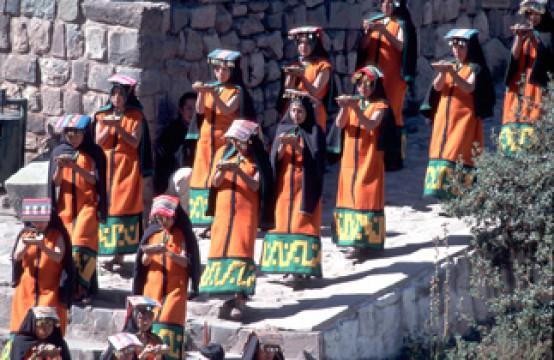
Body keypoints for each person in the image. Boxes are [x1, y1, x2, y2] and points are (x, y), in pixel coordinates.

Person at [199, 120, 273, 319]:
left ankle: (240, 298)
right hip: (224, 214)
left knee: (241, 251)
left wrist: (238, 171)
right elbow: (215, 182)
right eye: (234, 141)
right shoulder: (225, 155)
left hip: (244, 213)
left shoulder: (256, 160)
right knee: (222, 249)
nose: (236, 145)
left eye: (240, 141)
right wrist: (223, 170)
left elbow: (256, 185)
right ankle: (227, 296)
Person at [420, 29, 495, 199]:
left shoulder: (475, 68)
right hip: (444, 119)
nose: (457, 51)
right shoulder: (449, 64)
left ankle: (458, 196)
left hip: (464, 120)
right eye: (454, 47)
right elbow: (437, 87)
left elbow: (469, 87)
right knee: (442, 153)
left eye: (461, 47)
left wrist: (452, 73)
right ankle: (441, 194)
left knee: (457, 154)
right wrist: (442, 72)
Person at [260, 93, 326, 280]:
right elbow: (275, 160)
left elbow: (316, 163)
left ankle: (301, 269)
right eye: (294, 110)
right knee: (283, 224)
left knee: (300, 225)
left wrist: (297, 147)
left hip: (305, 188)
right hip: (284, 188)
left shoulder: (315, 132)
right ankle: (286, 266)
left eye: (300, 111)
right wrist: (280, 148)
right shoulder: (283, 129)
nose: (296, 115)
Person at [189, 49, 256, 229]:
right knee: (201, 177)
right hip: (206, 139)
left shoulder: (237, 91)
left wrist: (213, 94)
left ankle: (216, 218)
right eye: (217, 69)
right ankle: (203, 220)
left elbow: (227, 109)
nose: (220, 73)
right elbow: (200, 111)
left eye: (225, 70)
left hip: (224, 141)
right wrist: (202, 93)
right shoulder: (211, 87)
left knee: (216, 176)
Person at [333, 66, 394, 258]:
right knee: (349, 196)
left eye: (368, 84)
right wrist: (344, 109)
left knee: (362, 196)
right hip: (350, 159)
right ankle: (352, 241)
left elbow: (370, 124)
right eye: (360, 84)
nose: (363, 88)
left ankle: (364, 242)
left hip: (369, 158)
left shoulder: (381, 106)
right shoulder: (354, 103)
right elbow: (339, 125)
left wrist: (355, 109)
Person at [94, 74, 152, 269]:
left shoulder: (136, 116)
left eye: (121, 94)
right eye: (114, 94)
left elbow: (135, 142)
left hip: (126, 167)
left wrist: (119, 128)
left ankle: (119, 255)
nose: (117, 98)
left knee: (122, 207)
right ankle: (108, 252)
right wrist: (108, 128)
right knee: (107, 207)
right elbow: (98, 141)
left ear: (128, 96)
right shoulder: (102, 115)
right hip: (106, 167)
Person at [132, 195, 201, 360]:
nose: (162, 222)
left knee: (167, 325)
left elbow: (187, 262)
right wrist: (149, 254)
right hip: (152, 290)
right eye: (159, 218)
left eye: (166, 218)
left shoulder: (182, 236)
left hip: (175, 290)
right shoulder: (152, 234)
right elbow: (143, 263)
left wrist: (168, 253)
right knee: (151, 325)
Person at [49, 114, 107, 303]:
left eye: (76, 133)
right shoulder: (59, 151)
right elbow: (55, 182)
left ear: (85, 133)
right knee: (67, 245)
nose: (72, 137)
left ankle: (82, 288)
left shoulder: (94, 153)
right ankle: (69, 286)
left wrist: (75, 167)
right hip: (65, 207)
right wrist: (59, 168)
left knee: (82, 244)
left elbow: (95, 180)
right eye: (69, 133)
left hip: (88, 205)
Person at [356, 0, 418, 170]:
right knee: (372, 111)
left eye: (390, 3)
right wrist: (368, 33)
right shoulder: (375, 21)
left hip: (393, 78)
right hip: (372, 78)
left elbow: (401, 47)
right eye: (384, 3)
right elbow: (363, 47)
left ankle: (394, 158)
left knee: (393, 114)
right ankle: (371, 155)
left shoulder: (401, 24)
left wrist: (385, 32)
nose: (386, 6)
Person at [9, 198, 74, 335]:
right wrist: (26, 245)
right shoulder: (25, 234)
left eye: (41, 221)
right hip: (27, 289)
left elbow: (58, 256)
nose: (38, 224)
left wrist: (42, 246)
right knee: (22, 327)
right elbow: (16, 256)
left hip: (50, 290)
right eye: (34, 221)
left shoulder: (58, 235)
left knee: (47, 330)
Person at [500, 0, 553, 154]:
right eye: (529, 14)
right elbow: (514, 60)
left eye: (536, 13)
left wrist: (534, 39)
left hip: (538, 92)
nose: (532, 18)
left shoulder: (549, 34)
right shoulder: (526, 32)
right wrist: (518, 38)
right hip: (519, 92)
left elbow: (548, 61)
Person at [279, 26, 332, 131]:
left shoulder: (323, 66)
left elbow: (315, 91)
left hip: (313, 110)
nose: (303, 46)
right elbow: (288, 89)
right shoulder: (295, 64)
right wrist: (291, 75)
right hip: (294, 110)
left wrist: (302, 76)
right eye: (300, 43)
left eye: (308, 43)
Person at [153, 92, 198, 195]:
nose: (193, 112)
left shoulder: (203, 130)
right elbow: (163, 161)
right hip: (176, 182)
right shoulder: (171, 132)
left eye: (196, 108)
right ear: (181, 110)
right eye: (189, 108)